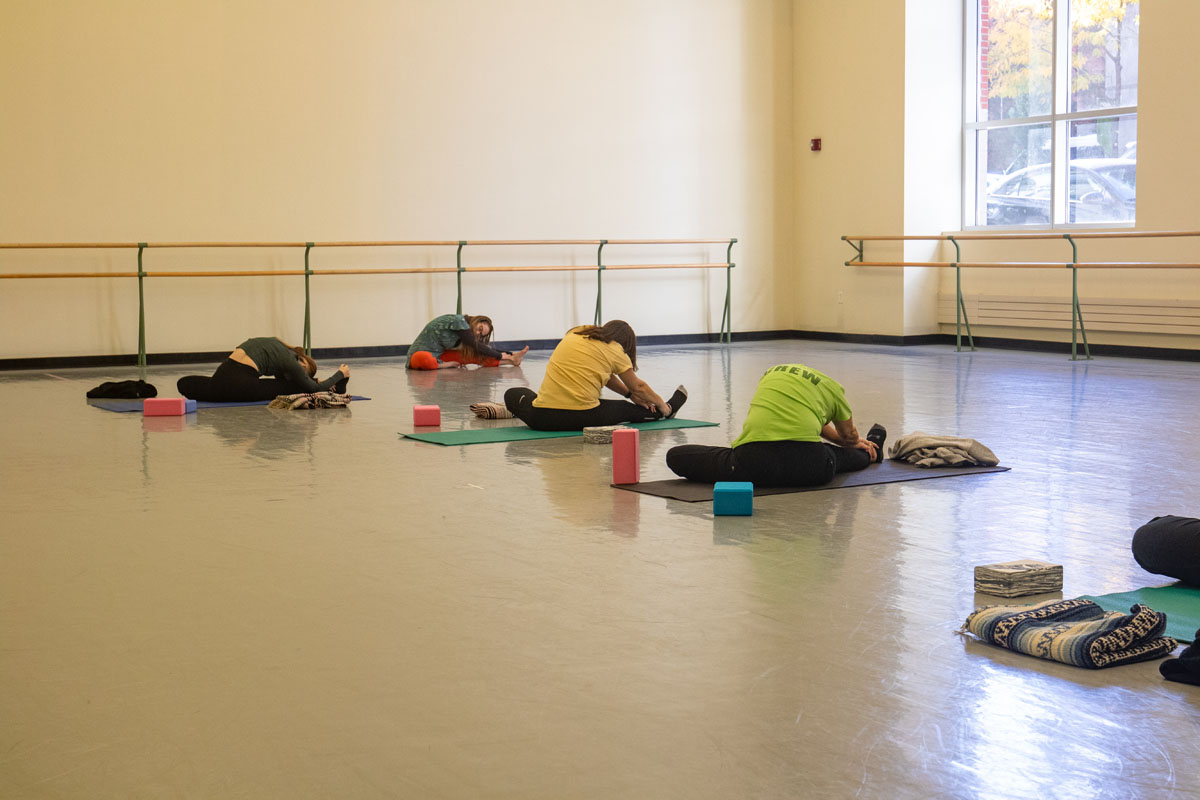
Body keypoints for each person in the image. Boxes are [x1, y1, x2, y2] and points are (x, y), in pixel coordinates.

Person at [665, 363, 885, 487]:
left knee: (676, 455)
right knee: (839, 457)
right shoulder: (834, 389)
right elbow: (849, 438)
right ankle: (873, 447)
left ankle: (866, 448)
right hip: (811, 467)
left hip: (752, 464)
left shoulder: (770, 374)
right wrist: (857, 443)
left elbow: (794, 416)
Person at [503, 320, 687, 431]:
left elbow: (606, 376)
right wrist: (661, 404)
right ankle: (667, 411)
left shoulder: (577, 332)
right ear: (626, 344)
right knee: (625, 409)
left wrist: (630, 396)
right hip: (580, 416)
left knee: (513, 393)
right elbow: (638, 386)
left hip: (541, 418)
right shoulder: (616, 350)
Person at [177, 337, 349, 402]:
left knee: (184, 383)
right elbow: (312, 389)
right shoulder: (291, 361)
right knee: (293, 387)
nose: (299, 372)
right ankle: (337, 386)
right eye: (304, 372)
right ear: (303, 362)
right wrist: (339, 374)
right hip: (241, 386)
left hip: (222, 376)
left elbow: (280, 379)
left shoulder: (275, 344)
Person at [406, 314, 528, 369]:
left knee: (473, 354)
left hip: (439, 356)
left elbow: (483, 347)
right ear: (476, 320)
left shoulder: (467, 333)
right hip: (418, 358)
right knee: (424, 357)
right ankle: (441, 366)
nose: (478, 333)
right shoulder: (458, 321)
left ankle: (511, 362)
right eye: (480, 329)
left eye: (481, 334)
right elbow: (475, 345)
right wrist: (499, 355)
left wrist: (510, 354)